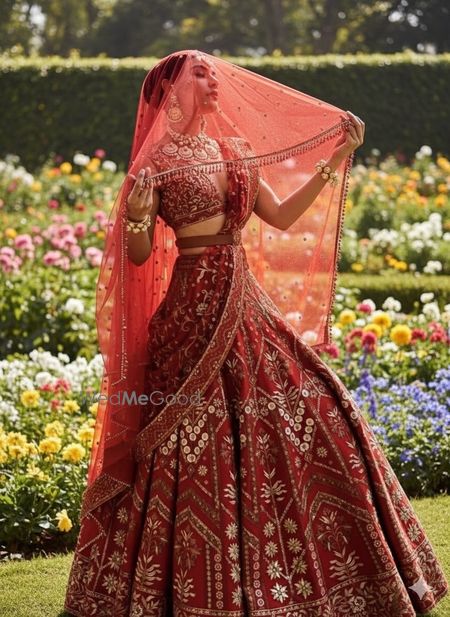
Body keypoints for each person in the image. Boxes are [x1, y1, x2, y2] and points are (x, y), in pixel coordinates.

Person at [64, 50, 448, 617]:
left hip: (245, 301)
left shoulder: (234, 150)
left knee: (319, 399)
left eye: (212, 71)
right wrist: (141, 215)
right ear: (172, 92)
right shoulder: (155, 163)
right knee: (190, 431)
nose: (213, 80)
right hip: (191, 310)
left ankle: (329, 572)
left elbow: (283, 216)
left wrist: (336, 157)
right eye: (199, 74)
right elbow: (139, 255)